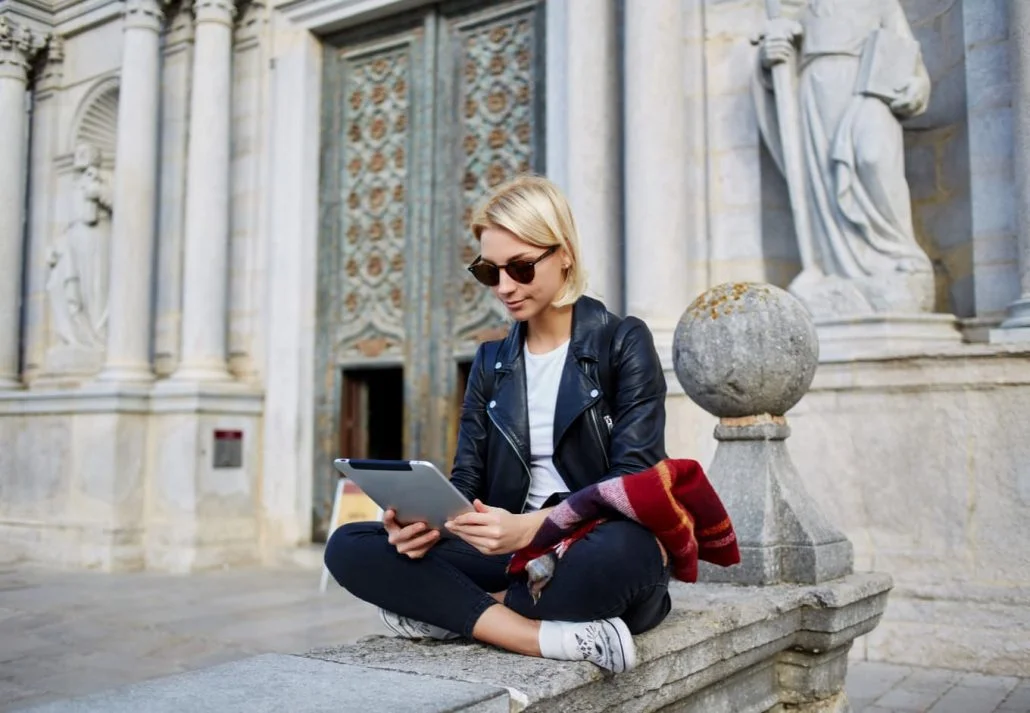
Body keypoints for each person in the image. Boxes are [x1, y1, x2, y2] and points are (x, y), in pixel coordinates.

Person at [324, 175, 671, 673]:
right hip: (506, 552)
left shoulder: (621, 343)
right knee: (351, 546)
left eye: (522, 268)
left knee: (626, 552)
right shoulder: (492, 361)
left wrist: (530, 526)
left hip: (585, 544)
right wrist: (419, 524)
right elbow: (465, 479)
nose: (505, 287)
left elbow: (631, 483)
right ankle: (540, 634)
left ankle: (456, 609)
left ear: (564, 254)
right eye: (490, 272)